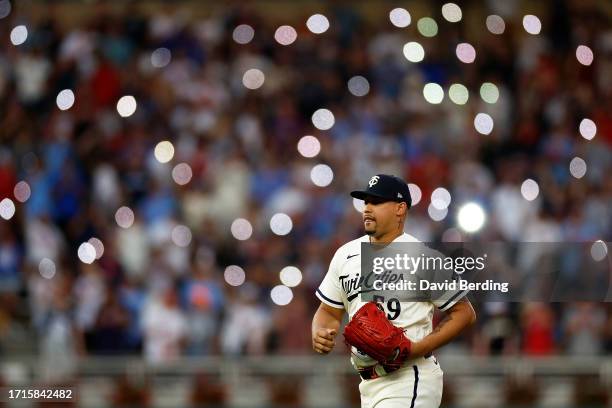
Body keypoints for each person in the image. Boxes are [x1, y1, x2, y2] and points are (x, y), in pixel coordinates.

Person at [312, 174, 477, 408]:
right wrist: (320, 331)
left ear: (400, 209)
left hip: (409, 377)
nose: (367, 208)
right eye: (365, 202)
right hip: (367, 384)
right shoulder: (345, 254)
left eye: (377, 202)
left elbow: (464, 313)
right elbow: (328, 311)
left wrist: (420, 347)